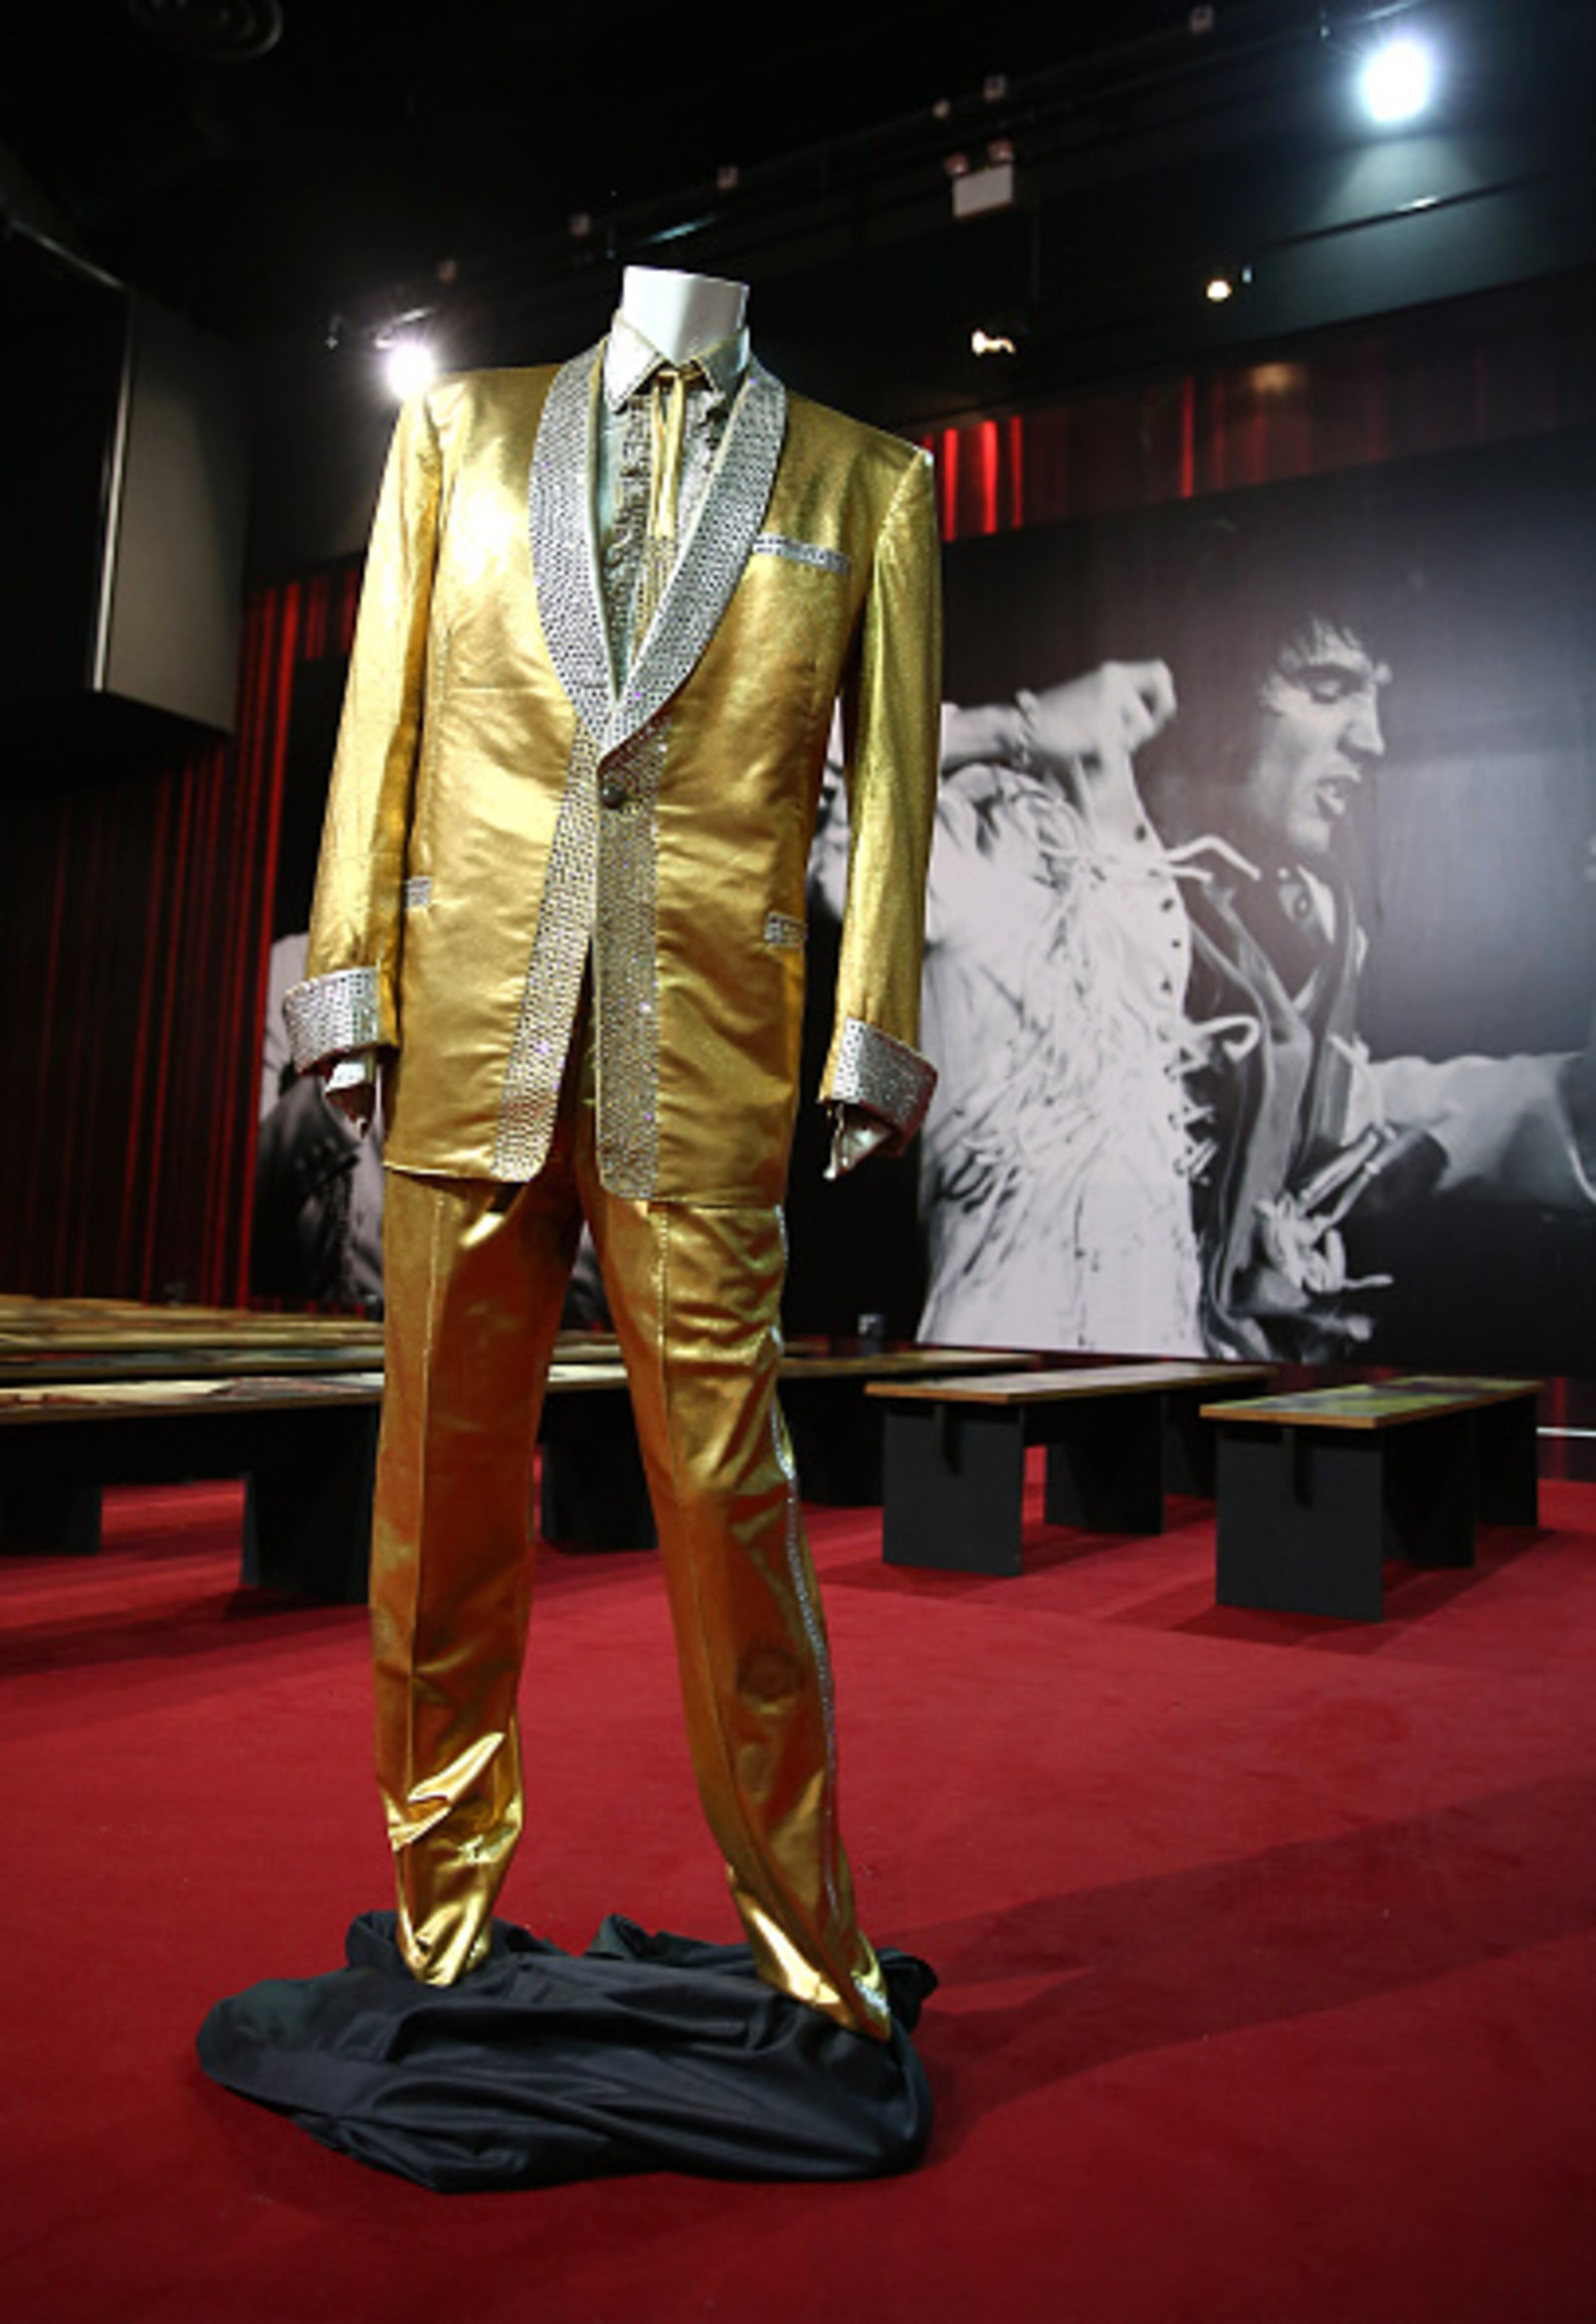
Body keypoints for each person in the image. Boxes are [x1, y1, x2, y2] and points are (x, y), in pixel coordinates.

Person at [283, 264, 941, 2040]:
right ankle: (438, 1913)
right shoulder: (461, 431)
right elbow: (386, 711)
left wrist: (873, 1029)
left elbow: (894, 784)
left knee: (734, 1508)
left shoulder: (865, 483)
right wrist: (346, 979)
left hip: (708, 1052)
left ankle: (811, 1946)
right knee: (439, 1503)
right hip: (473, 1025)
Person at [904, 605, 1594, 1360]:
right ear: (1204, 690)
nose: (1374, 740)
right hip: (1005, 1401)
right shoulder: (1009, 839)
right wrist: (1013, 727)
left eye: (1374, 698)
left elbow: (1336, 1121)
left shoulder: (1302, 926)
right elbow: (769, 788)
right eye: (1328, 689)